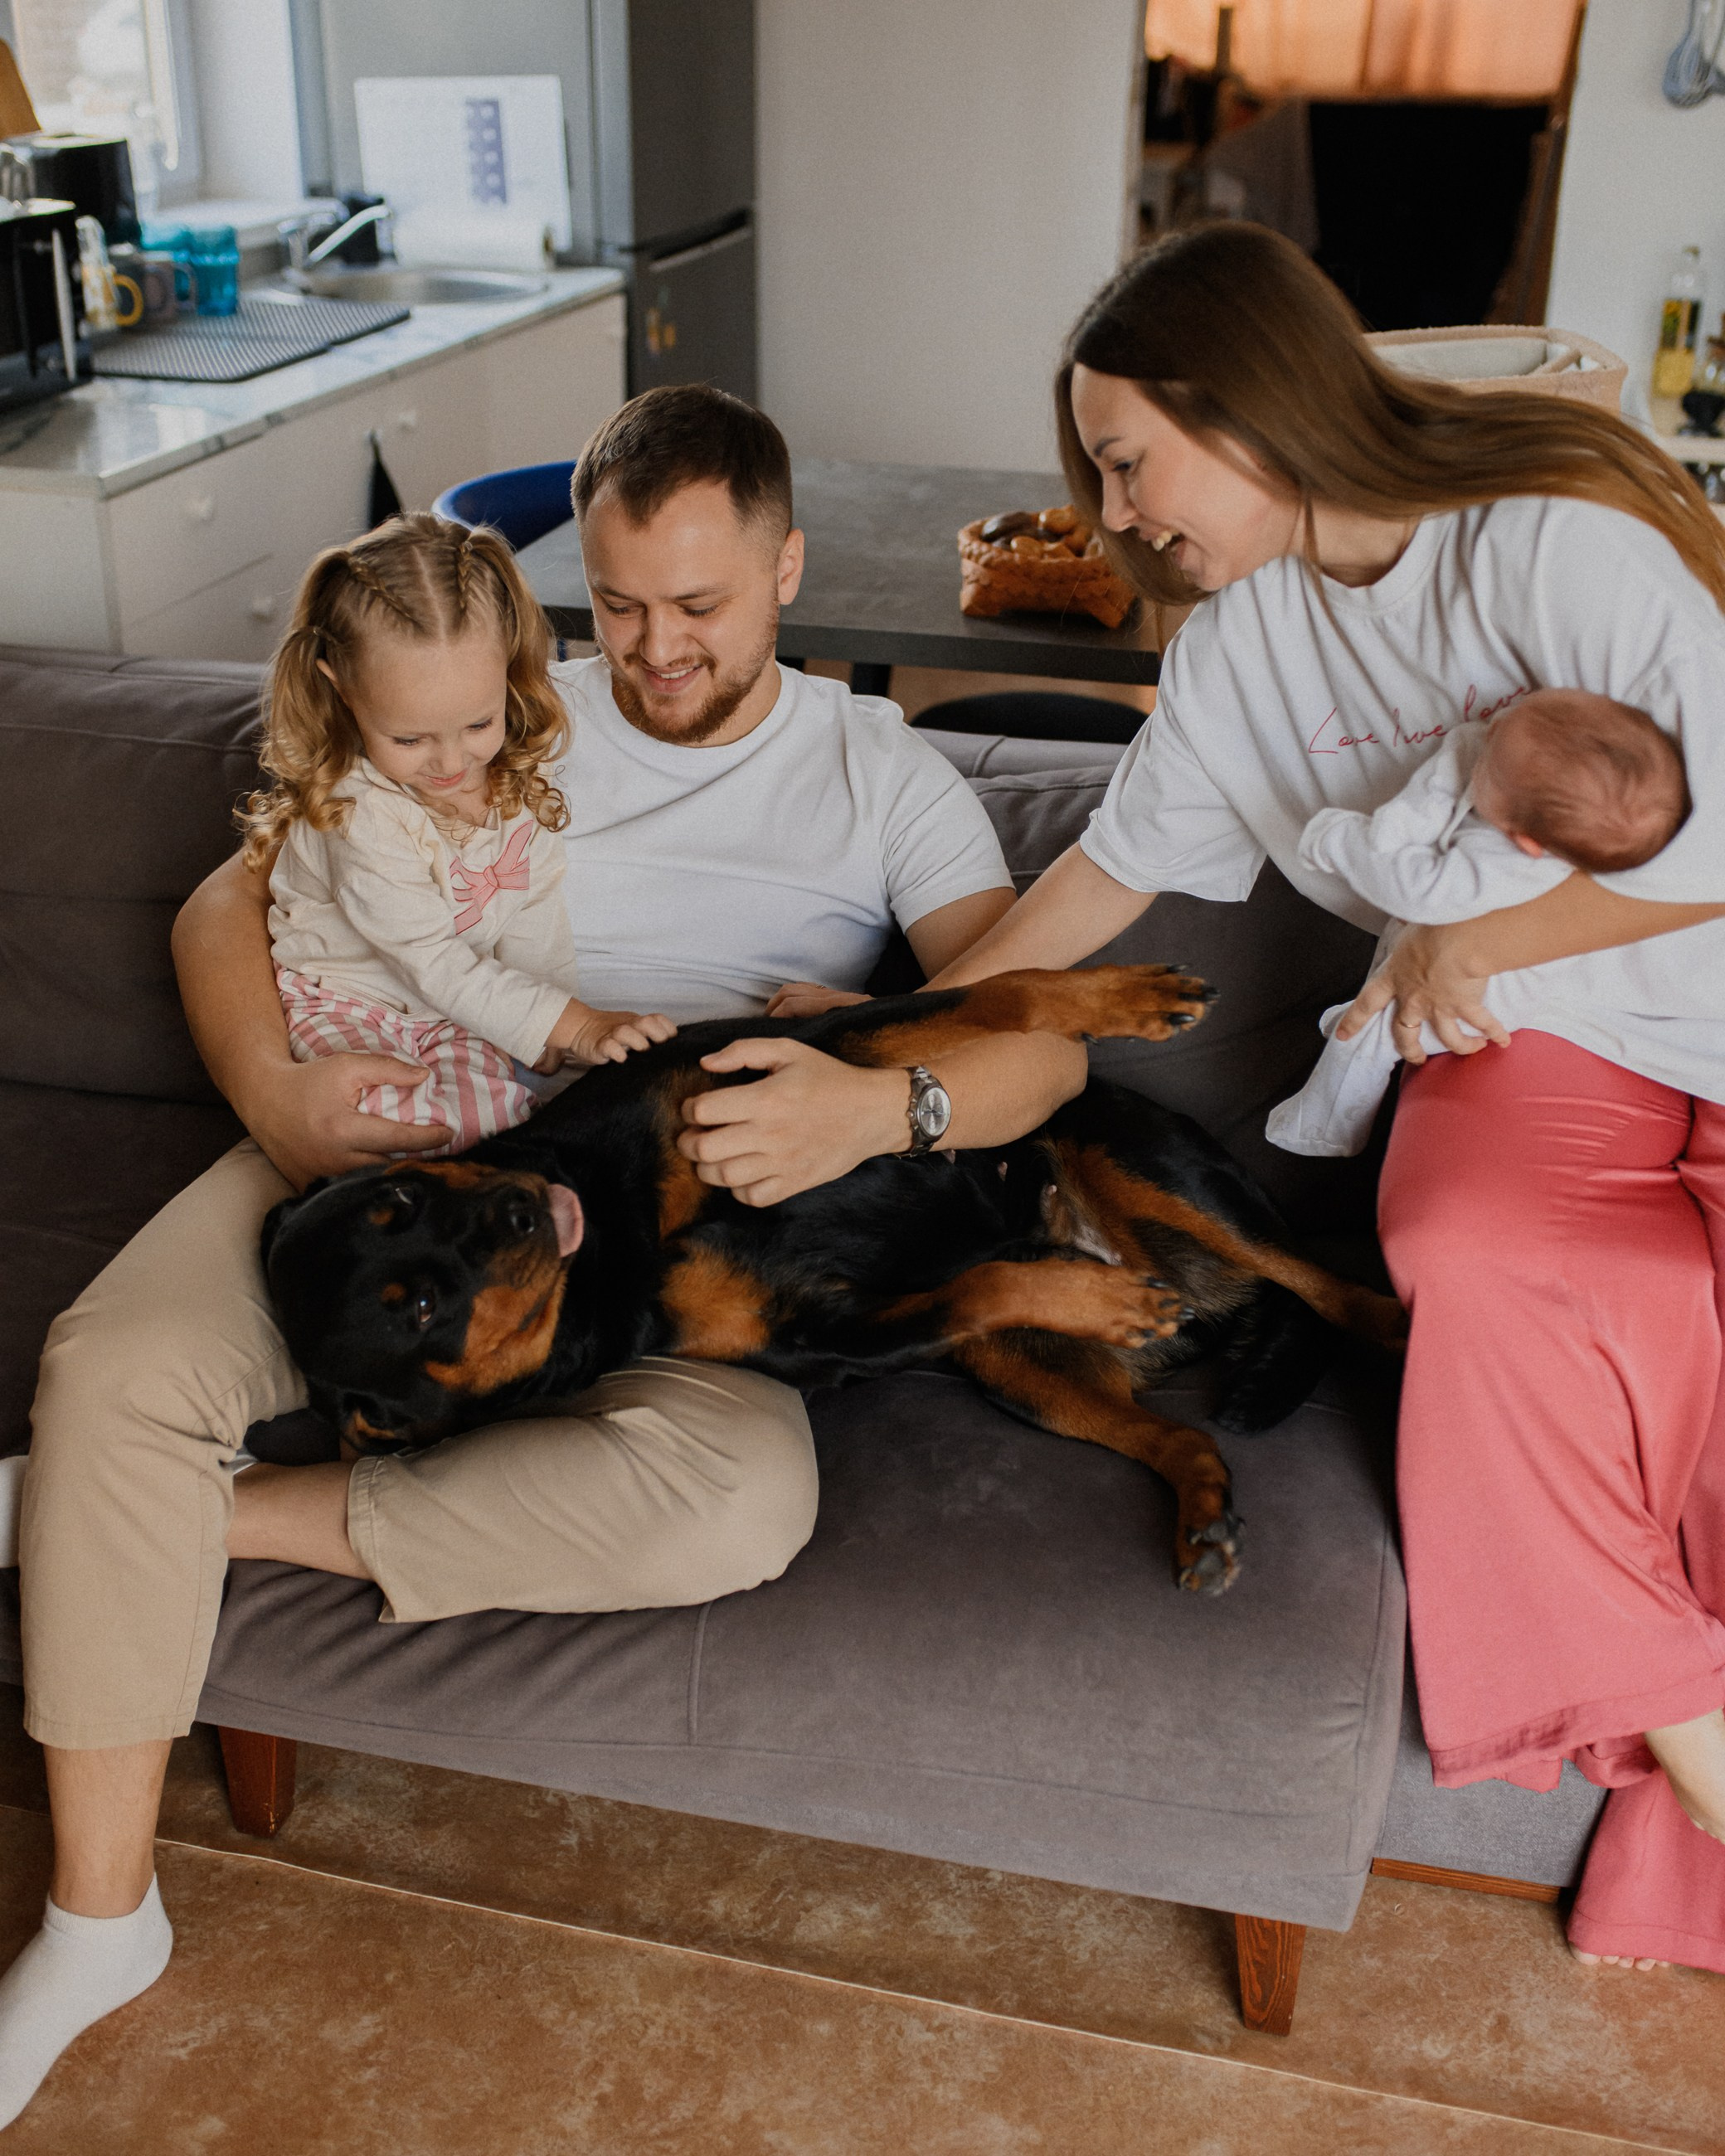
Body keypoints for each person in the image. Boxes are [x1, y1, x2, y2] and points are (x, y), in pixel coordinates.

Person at [0, 384, 1087, 2128]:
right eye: (618, 603)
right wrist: (278, 1098)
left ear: (788, 568)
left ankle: (183, 1519)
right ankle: (100, 1918)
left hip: (679, 1224)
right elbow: (226, 901)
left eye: (700, 603)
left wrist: (880, 1109)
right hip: (409, 1155)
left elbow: (1043, 1048)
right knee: (115, 1375)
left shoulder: (884, 775)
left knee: (737, 1502)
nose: (654, 651)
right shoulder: (490, 715)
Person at [929, 222, 1725, 1976]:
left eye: (1127, 462)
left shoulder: (1546, 542)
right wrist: (901, 1019)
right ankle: (1694, 1732)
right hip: (1536, 1043)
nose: (1116, 514)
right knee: (1454, 1243)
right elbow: (1103, 875)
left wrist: (1475, 931)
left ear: (1248, 411)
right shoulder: (1233, 654)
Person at [259, 513, 675, 1157]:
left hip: (449, 1013)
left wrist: (552, 1037)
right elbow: (434, 962)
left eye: (479, 723)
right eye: (410, 738)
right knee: (398, 1127)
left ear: (508, 669)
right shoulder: (357, 810)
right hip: (350, 1004)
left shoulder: (518, 772)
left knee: (503, 1128)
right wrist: (576, 1025)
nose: (452, 764)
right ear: (340, 690)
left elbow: (533, 909)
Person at [1269, 690, 1691, 1157]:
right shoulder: (1557, 815)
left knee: (1372, 1031)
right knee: (1398, 946)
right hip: (1461, 942)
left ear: (1524, 840)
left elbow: (1413, 889)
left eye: (1489, 767)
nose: (1485, 737)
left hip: (1489, 993)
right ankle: (1352, 1018)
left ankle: (1324, 1127)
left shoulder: (1500, 864)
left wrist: (1335, 840)